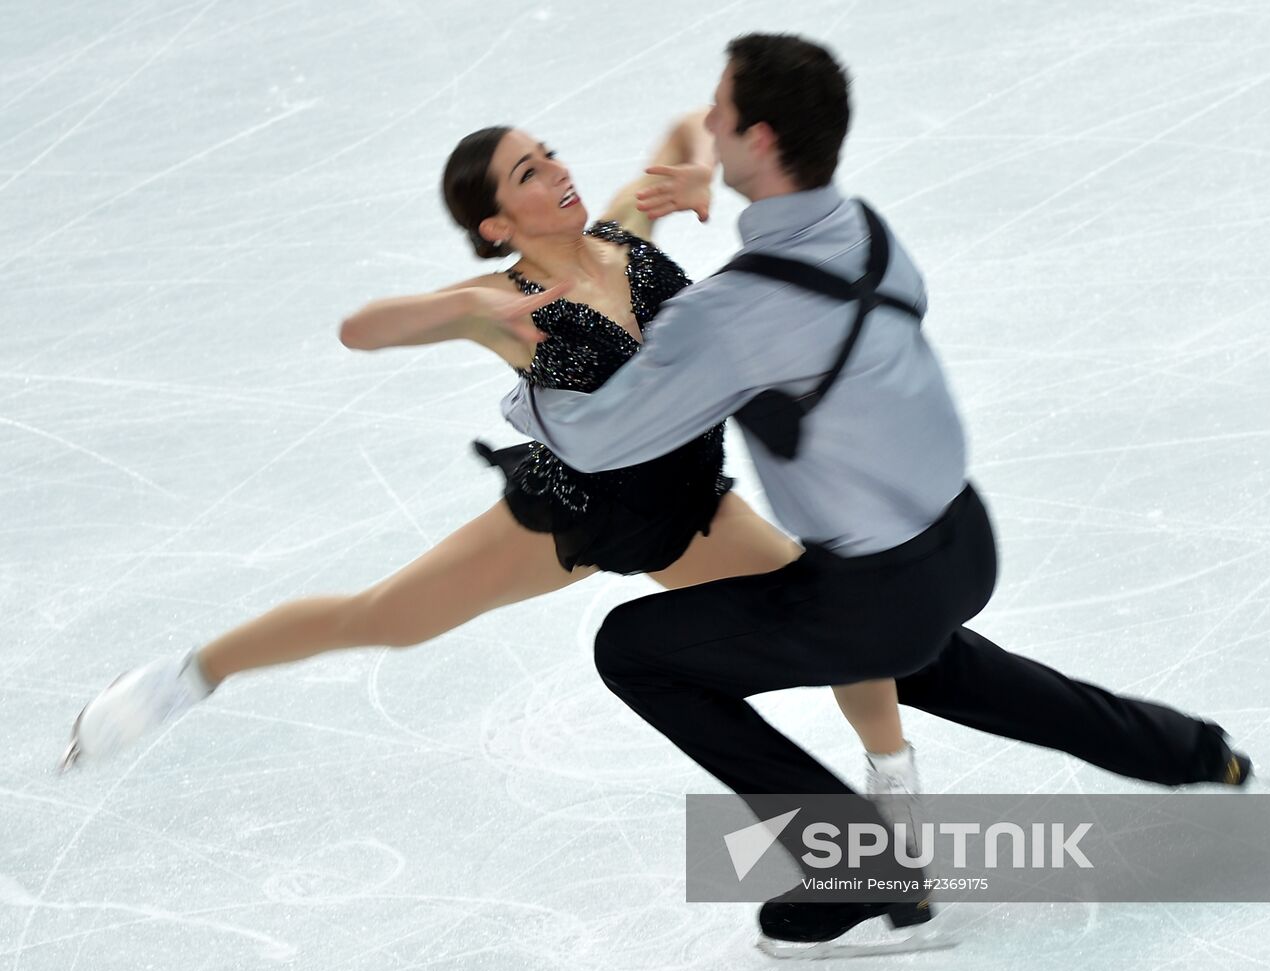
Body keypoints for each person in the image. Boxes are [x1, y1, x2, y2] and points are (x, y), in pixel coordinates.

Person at [501, 32, 1253, 954]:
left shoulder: (729, 315)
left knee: (636, 650)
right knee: (950, 667)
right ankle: (1192, 750)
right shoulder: (865, 230)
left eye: (724, 114)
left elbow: (607, 435)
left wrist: (526, 390)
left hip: (875, 590)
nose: (707, 122)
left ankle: (856, 867)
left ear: (764, 141)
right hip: (962, 542)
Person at [59, 110, 918, 803]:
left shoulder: (627, 232)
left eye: (549, 154)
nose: (557, 171)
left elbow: (692, 125)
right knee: (385, 618)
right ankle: (188, 674)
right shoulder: (496, 299)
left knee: (843, 621)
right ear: (496, 223)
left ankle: (894, 787)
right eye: (529, 173)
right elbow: (363, 330)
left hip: (691, 510)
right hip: (576, 512)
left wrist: (700, 167)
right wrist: (463, 312)